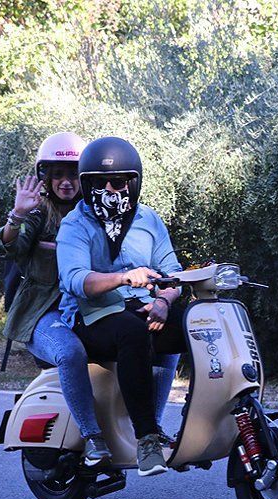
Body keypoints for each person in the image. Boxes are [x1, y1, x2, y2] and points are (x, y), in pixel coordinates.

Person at [57, 136, 186, 477]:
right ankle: (146, 439)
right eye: (100, 183)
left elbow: (172, 272)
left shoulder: (148, 220)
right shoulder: (75, 224)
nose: (111, 189)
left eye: (119, 181)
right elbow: (75, 280)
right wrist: (124, 278)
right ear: (87, 185)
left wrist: (163, 299)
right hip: (91, 316)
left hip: (143, 308)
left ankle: (205, 417)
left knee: (194, 323)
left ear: (135, 182)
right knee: (132, 332)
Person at [0, 132, 115, 467]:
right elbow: (8, 249)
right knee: (69, 352)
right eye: (57, 174)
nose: (65, 182)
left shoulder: (97, 212)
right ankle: (93, 438)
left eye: (73, 173)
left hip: (90, 307)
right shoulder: (37, 214)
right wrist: (16, 216)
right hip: (45, 311)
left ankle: (143, 431)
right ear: (45, 177)